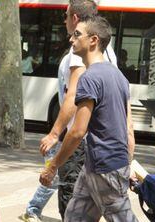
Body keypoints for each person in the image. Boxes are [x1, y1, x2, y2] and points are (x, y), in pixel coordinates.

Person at [40, 15, 137, 221]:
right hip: (97, 164)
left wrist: (53, 166)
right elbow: (128, 127)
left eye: (77, 35)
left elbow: (77, 131)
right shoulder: (119, 77)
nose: (71, 39)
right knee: (75, 217)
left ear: (93, 40)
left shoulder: (89, 78)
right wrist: (127, 160)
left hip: (105, 167)